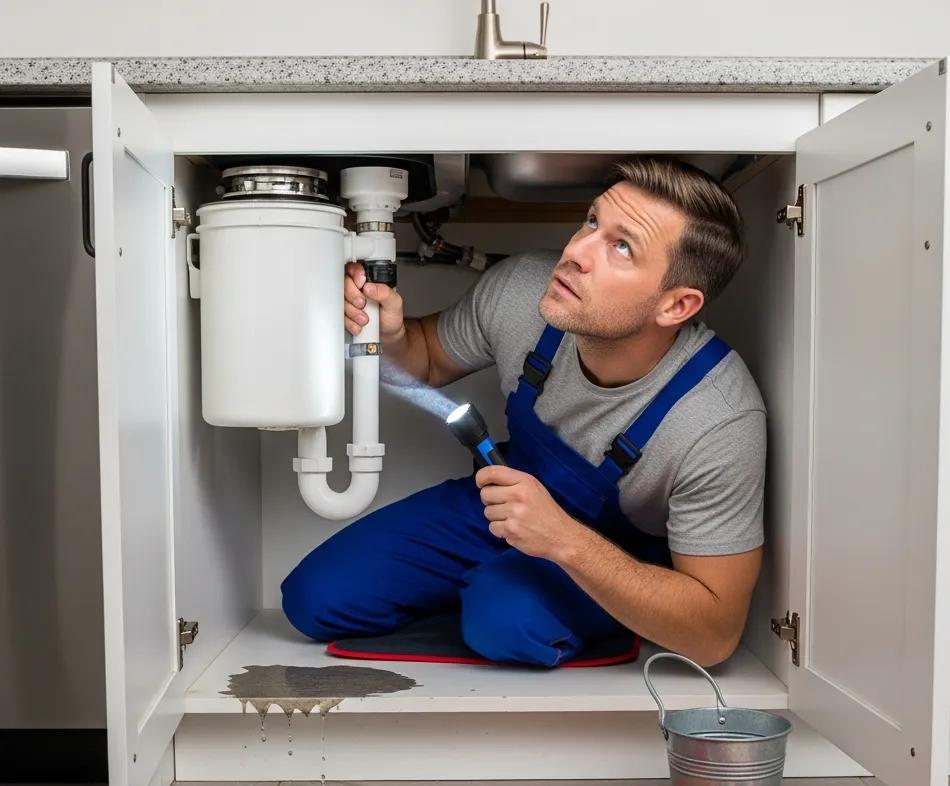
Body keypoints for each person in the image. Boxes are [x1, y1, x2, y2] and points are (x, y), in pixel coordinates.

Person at [281, 157, 766, 668]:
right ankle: (486, 591)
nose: (576, 252)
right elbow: (425, 358)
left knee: (505, 619)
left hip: (610, 554)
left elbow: (713, 636)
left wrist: (564, 540)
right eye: (592, 222)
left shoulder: (718, 421)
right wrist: (393, 335)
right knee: (314, 599)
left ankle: (513, 600)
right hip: (503, 506)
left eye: (621, 247)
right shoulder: (524, 290)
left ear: (676, 306)